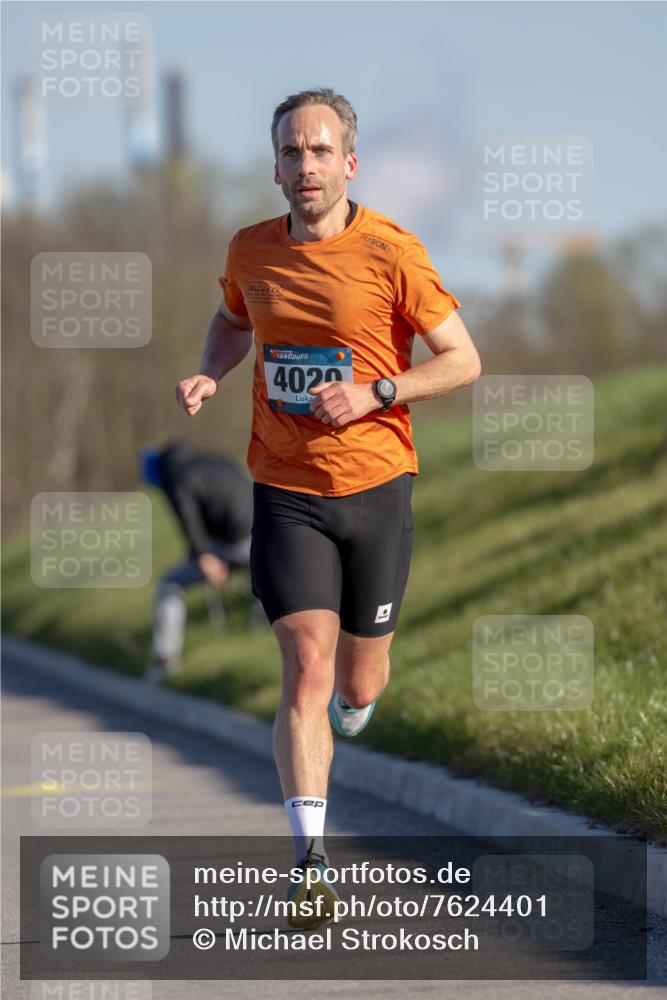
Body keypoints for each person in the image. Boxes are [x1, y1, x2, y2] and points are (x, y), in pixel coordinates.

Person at [175, 88, 481, 927]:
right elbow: (234, 321)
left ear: (349, 161)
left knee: (356, 681)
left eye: (318, 151)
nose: (303, 166)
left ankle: (357, 700)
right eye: (289, 152)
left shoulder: (392, 251)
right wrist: (212, 370)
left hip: (377, 486)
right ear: (273, 166)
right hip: (284, 490)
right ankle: (309, 861)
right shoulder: (250, 251)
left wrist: (379, 388)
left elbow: (461, 360)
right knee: (304, 669)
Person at [140, 441, 253, 683]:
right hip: (268, 533)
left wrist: (204, 556)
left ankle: (165, 659)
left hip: (238, 545)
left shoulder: (178, 479)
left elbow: (190, 522)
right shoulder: (213, 460)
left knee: (170, 583)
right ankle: (262, 630)